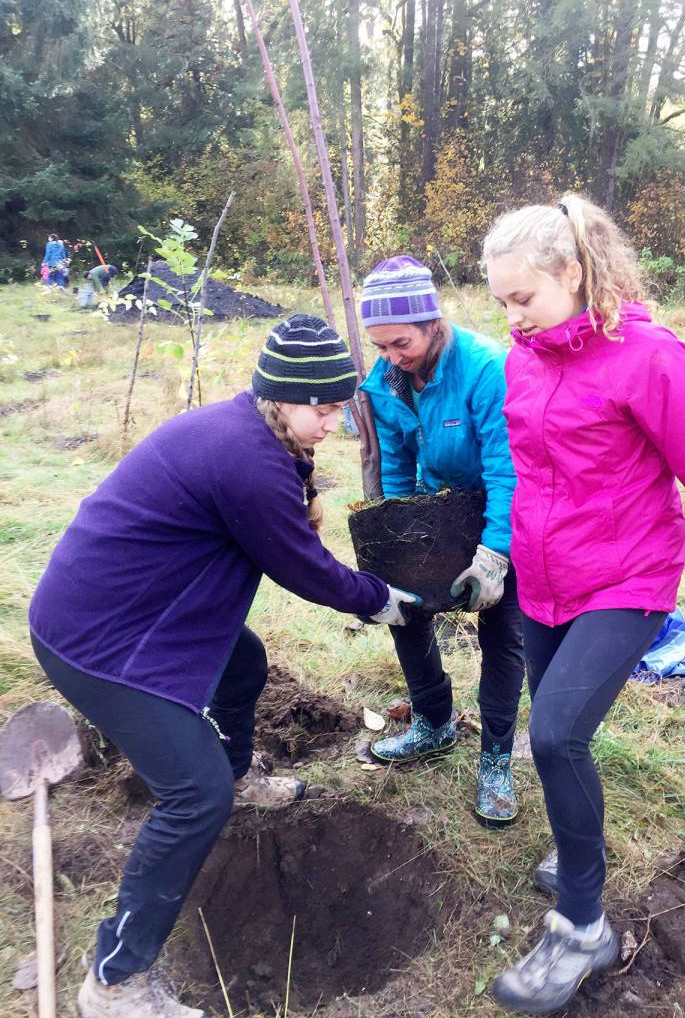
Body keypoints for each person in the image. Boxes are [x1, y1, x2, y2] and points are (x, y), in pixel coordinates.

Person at [28, 314, 419, 1018]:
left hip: (132, 610)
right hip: (99, 642)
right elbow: (302, 569)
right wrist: (380, 600)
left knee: (244, 666)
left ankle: (237, 774)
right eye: (323, 410)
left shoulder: (254, 430)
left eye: (340, 409)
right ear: (281, 397)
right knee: (193, 796)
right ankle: (116, 980)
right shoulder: (245, 459)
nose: (333, 424)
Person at [482, 193, 685, 1014]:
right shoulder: (523, 358)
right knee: (560, 739)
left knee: (555, 733)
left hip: (626, 582)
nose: (513, 316)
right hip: (543, 584)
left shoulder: (650, 359)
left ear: (573, 273)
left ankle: (581, 929)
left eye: (524, 297)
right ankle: (580, 858)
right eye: (500, 300)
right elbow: (523, 470)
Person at [358, 255, 526, 829]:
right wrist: (399, 538)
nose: (391, 357)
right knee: (404, 611)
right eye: (379, 346)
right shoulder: (387, 381)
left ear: (433, 324)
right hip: (434, 510)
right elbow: (399, 463)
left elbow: (509, 472)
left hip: (495, 509)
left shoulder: (484, 369)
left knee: (504, 631)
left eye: (400, 342)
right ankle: (434, 724)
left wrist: (493, 554)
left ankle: (496, 759)